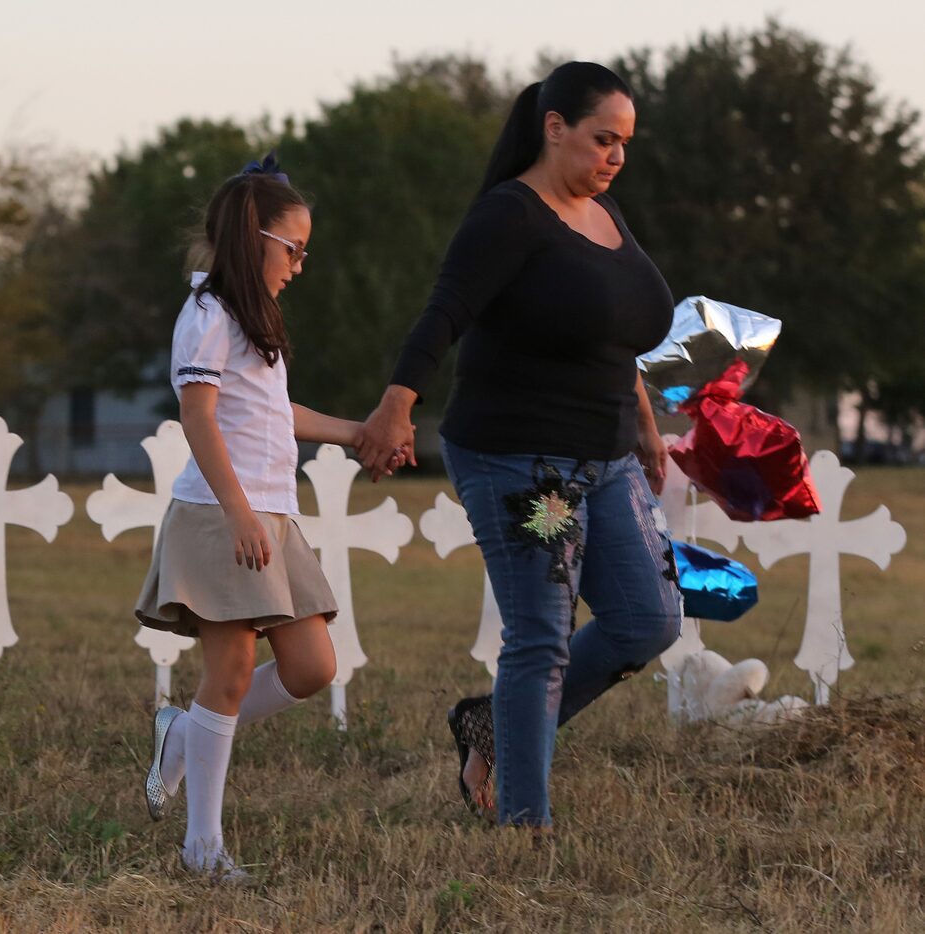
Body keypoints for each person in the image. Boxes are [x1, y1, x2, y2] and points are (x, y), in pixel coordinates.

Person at [356, 62, 683, 830]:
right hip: (523, 465)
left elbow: (617, 337)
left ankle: (489, 729)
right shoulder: (510, 214)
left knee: (649, 620)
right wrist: (396, 407)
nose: (615, 158)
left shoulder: (607, 216)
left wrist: (641, 423)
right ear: (554, 126)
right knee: (540, 638)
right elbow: (444, 314)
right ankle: (523, 826)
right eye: (603, 139)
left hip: (605, 459)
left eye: (625, 144)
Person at [136, 155, 408, 881]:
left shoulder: (256, 319)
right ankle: (203, 848)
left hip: (273, 515)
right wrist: (237, 514)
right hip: (222, 514)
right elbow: (199, 418)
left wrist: (357, 432)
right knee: (227, 672)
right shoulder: (205, 315)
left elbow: (271, 413)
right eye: (294, 248)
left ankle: (182, 738)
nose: (300, 263)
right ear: (255, 236)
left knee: (313, 667)